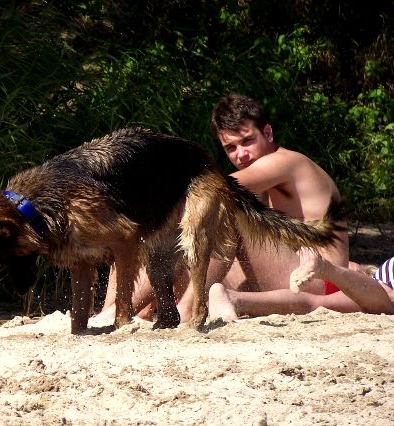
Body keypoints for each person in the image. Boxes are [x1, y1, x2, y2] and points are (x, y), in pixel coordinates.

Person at [93, 93, 353, 326]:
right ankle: (114, 310)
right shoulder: (261, 178)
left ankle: (180, 309)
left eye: (247, 141)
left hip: (318, 280)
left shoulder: (286, 162)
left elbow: (208, 190)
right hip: (283, 273)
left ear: (268, 133)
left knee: (221, 211)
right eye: (231, 148)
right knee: (151, 229)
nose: (241, 154)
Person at [208, 249, 394, 318]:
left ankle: (231, 298)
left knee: (316, 302)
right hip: (379, 284)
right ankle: (233, 299)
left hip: (379, 281)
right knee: (316, 302)